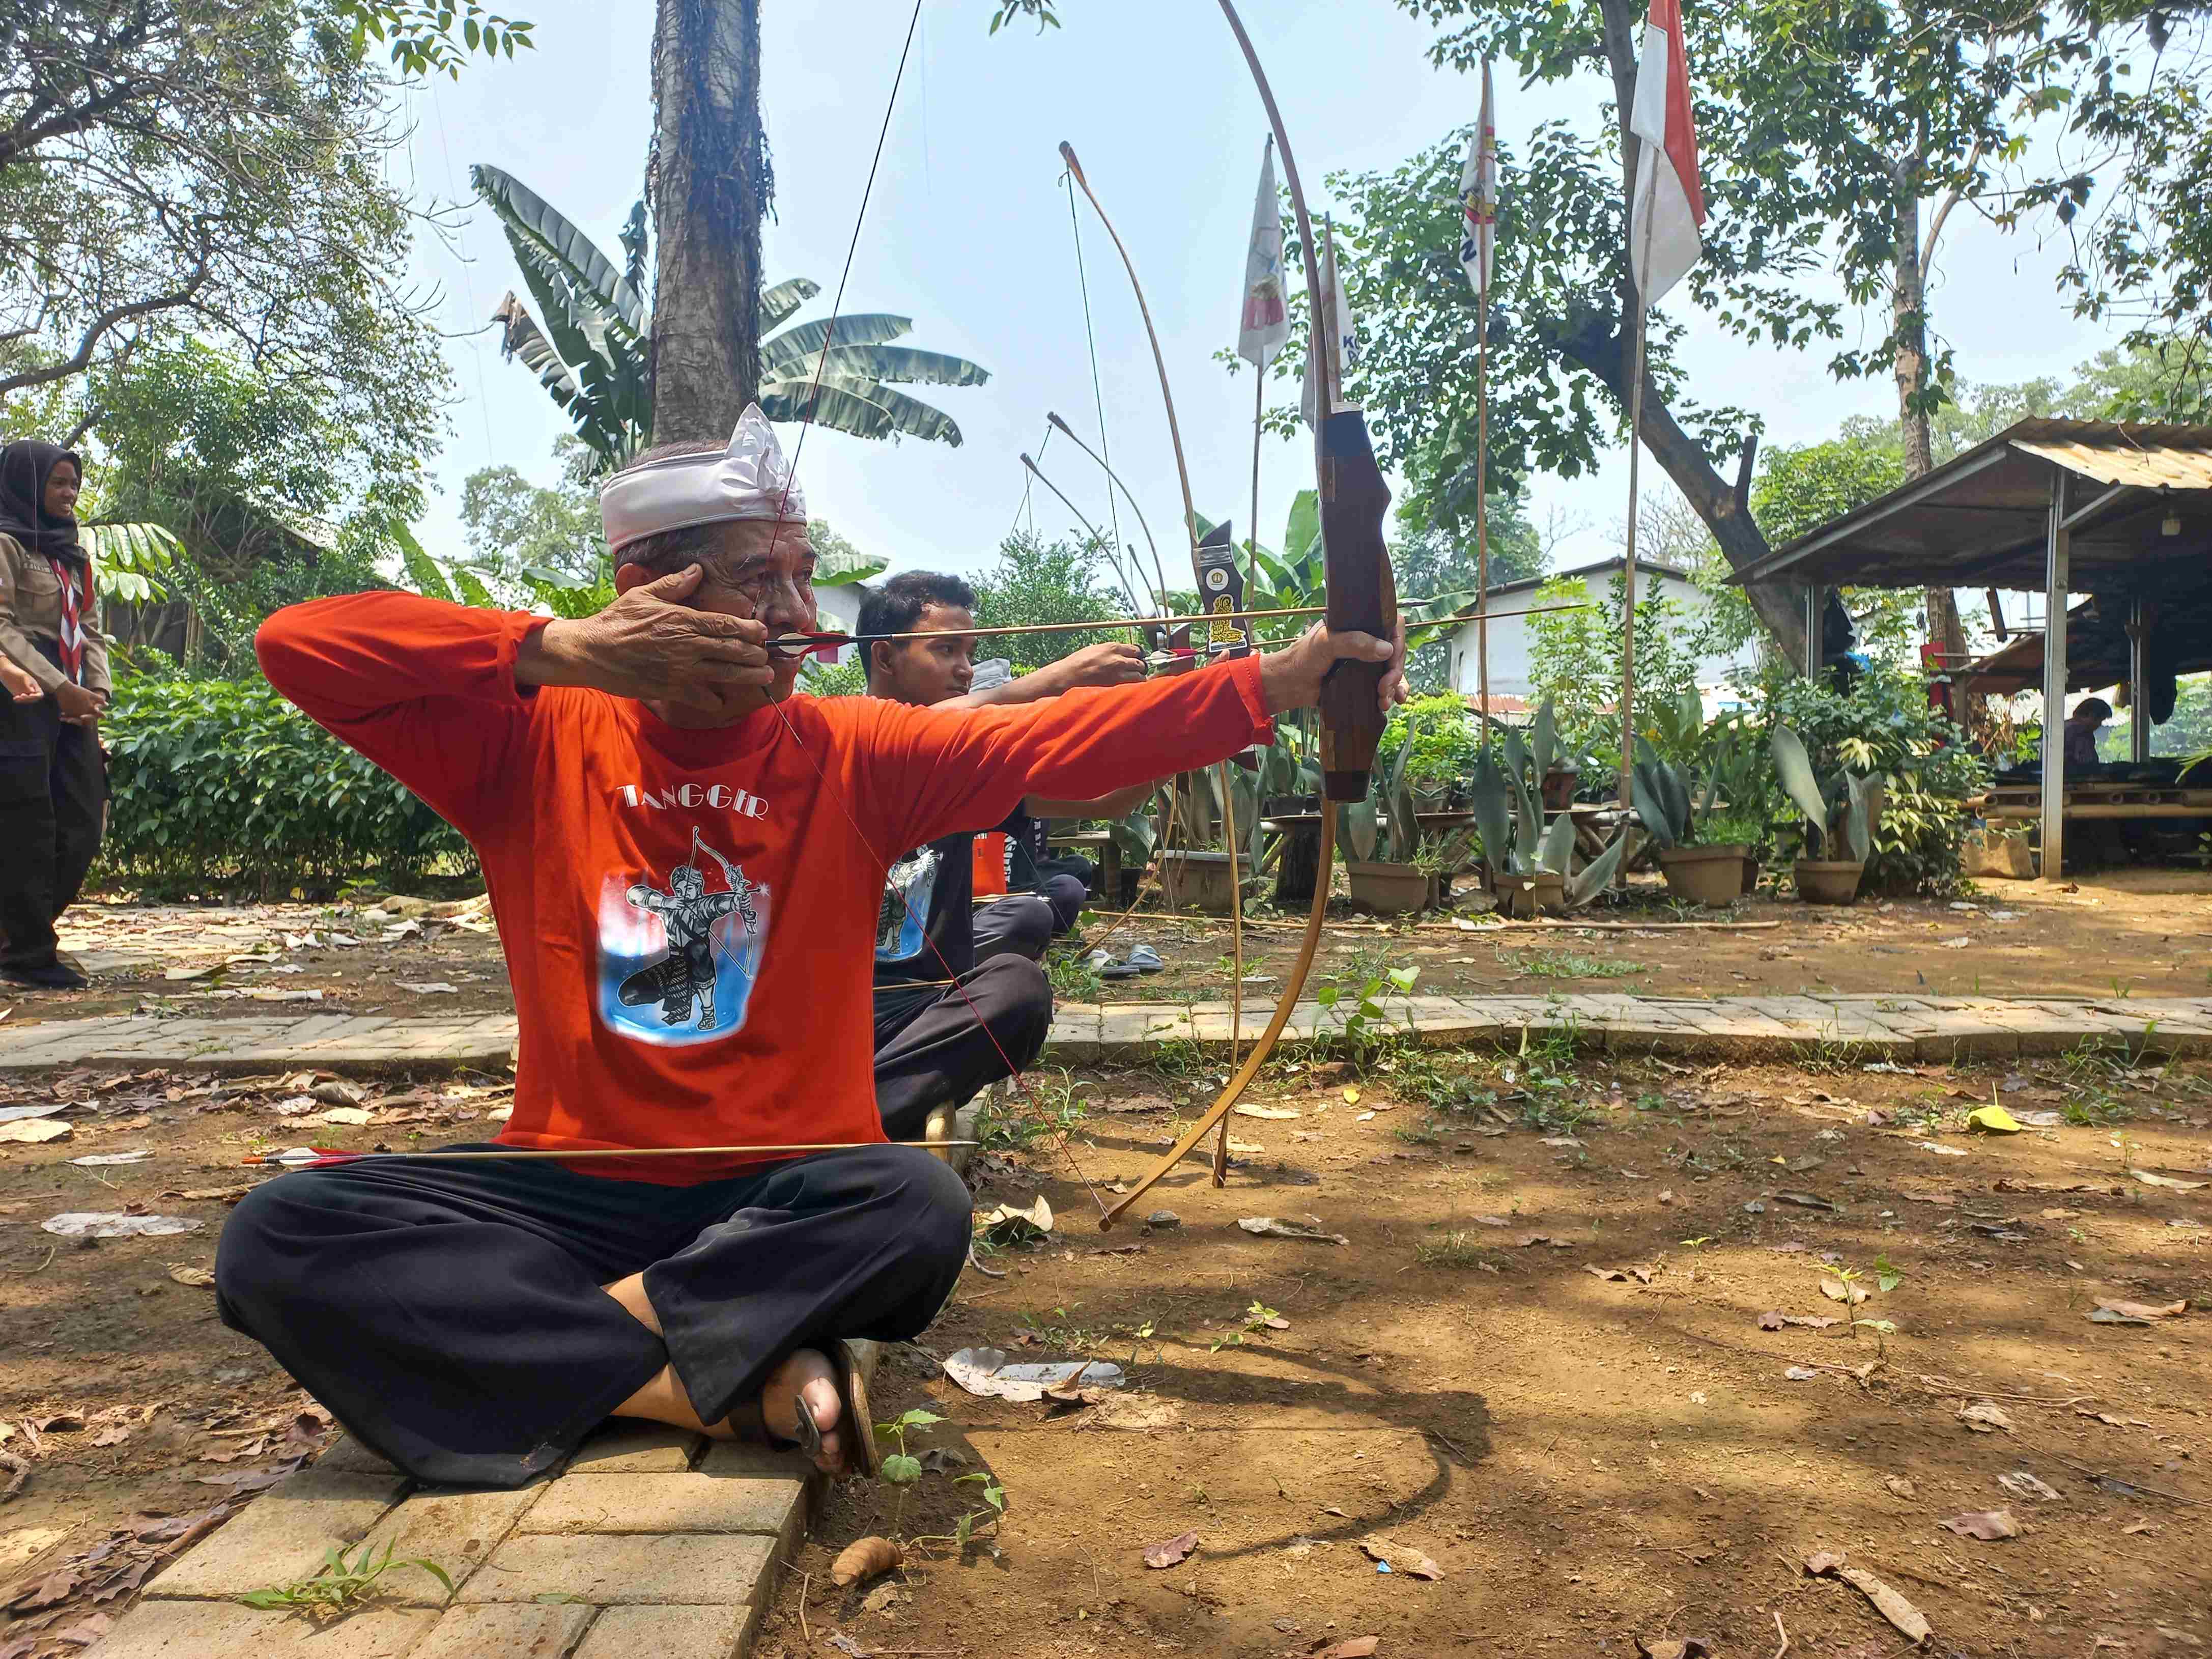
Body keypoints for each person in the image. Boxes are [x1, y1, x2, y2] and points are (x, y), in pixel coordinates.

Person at [216, 406, 1403, 1490]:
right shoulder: (526, 740)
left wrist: (1278, 679)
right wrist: (563, 651)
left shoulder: (849, 747)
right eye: (755, 582)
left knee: (915, 1201)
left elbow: (1060, 744)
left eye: (800, 579)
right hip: (570, 1184)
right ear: (647, 589)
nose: (797, 617)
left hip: (779, 1189)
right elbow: (296, 641)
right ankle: (694, 1378)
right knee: (278, 1230)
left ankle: (574, 1344)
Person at [859, 572, 1153, 1141]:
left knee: (1018, 987)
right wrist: (1059, 681)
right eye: (945, 649)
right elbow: (928, 732)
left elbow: (1110, 800)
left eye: (969, 652)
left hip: (927, 1000)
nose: (965, 669)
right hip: (839, 1003)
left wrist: (1164, 726)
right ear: (884, 657)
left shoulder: (964, 765)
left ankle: (860, 1104)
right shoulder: (838, 739)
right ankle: (859, 1109)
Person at [0, 441, 109, 991]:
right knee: (28, 821)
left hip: (72, 693)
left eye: (74, 484)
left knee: (84, 816)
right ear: (27, 485)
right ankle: (28, 950)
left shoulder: (73, 555)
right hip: (20, 692)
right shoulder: (7, 543)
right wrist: (57, 688)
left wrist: (95, 691)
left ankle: (18, 931)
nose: (69, 494)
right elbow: (0, 626)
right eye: (58, 483)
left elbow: (89, 628)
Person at [2053, 696, 2112, 769]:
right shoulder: (2078, 732)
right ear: (2091, 715)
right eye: (2100, 720)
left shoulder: (2061, 728)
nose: (2100, 725)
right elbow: (2084, 765)